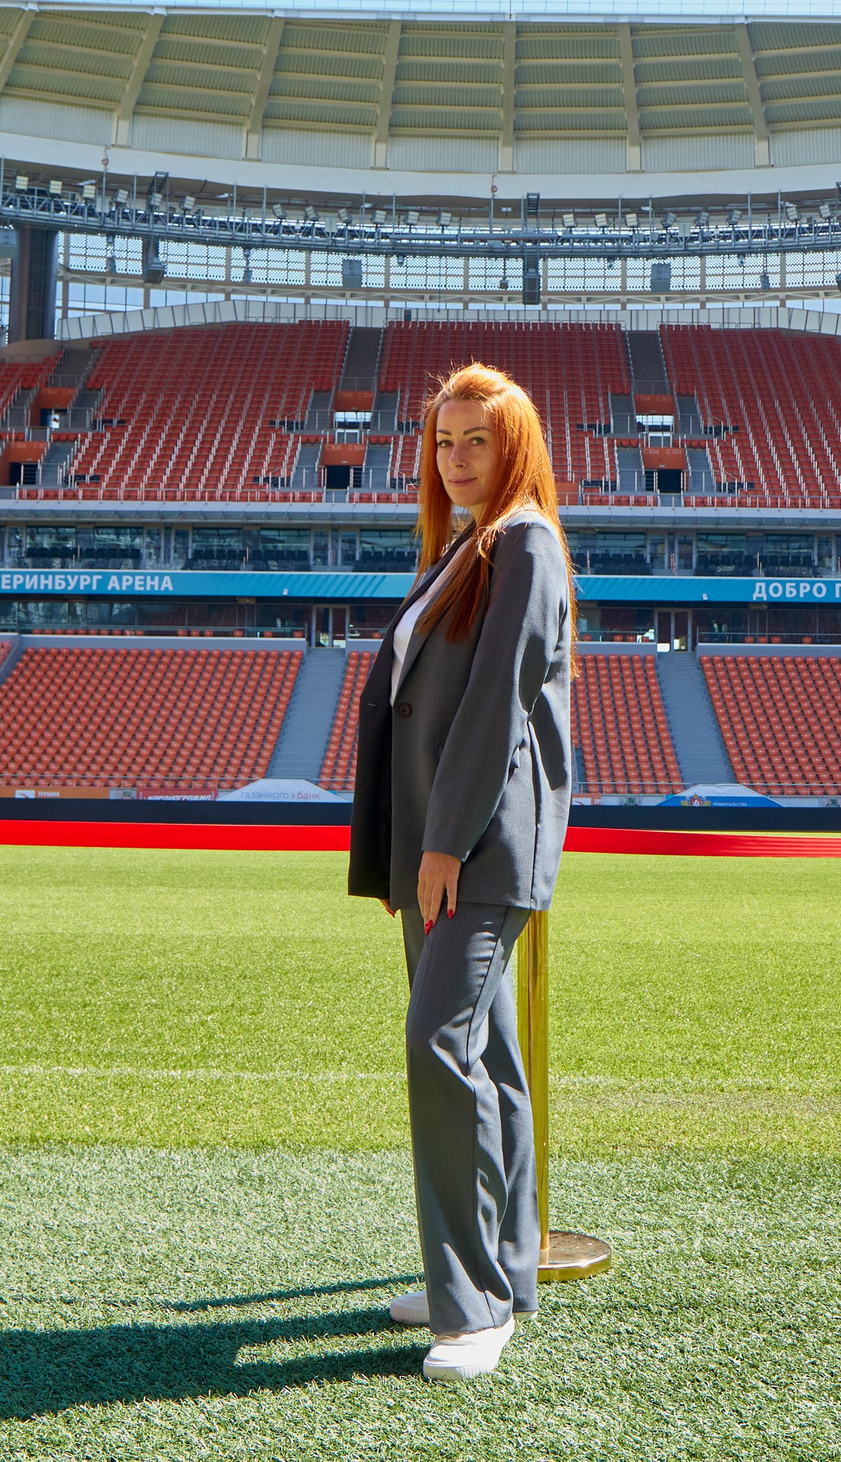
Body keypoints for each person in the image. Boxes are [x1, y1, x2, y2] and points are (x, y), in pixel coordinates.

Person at [346, 361, 574, 1384]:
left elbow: (493, 708)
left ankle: (472, 1301)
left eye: (477, 439)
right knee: (489, 1057)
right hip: (439, 843)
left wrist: (441, 843)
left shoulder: (525, 544)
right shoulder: (460, 550)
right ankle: (500, 1274)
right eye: (444, 441)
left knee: (438, 1046)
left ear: (514, 445)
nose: (455, 457)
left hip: (477, 847)